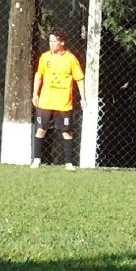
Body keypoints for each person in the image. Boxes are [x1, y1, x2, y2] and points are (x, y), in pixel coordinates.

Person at [31, 29, 86, 168]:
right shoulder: (45, 57)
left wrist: (83, 98)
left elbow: (79, 79)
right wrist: (35, 94)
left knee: (66, 132)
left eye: (54, 41)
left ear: (62, 42)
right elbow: (39, 76)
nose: (51, 44)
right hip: (46, 102)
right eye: (50, 41)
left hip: (63, 103)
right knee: (41, 129)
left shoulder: (71, 59)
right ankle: (36, 159)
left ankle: (68, 163)